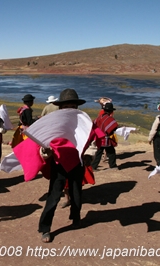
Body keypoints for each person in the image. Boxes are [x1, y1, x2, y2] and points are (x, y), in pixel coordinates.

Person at [38, 88, 99, 243]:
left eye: (73, 105)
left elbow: (92, 140)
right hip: (59, 165)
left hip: (77, 164)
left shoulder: (85, 122)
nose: (70, 108)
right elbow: (45, 144)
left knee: (76, 193)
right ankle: (45, 228)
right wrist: (46, 151)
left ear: (77, 107)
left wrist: (88, 155)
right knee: (53, 197)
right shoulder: (54, 123)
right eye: (66, 106)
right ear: (61, 107)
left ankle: (76, 217)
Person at [91, 102, 119, 170]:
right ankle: (113, 166)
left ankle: (93, 167)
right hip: (106, 139)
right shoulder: (110, 119)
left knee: (99, 153)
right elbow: (113, 127)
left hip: (99, 138)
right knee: (111, 152)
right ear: (111, 111)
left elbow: (93, 124)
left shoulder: (99, 117)